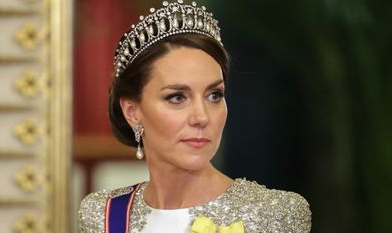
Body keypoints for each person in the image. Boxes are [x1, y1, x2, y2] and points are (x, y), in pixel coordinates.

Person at [78, 1, 312, 232]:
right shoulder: (103, 215)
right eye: (177, 97)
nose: (201, 117)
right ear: (132, 112)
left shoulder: (275, 215)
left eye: (214, 95)